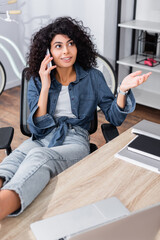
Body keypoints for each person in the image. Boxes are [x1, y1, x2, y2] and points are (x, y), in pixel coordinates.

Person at [0, 16, 151, 219]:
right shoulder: (37, 79)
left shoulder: (93, 77)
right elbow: (36, 129)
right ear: (49, 51)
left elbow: (114, 118)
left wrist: (122, 91)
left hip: (75, 140)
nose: (66, 51)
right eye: (58, 46)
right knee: (13, 160)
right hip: (42, 136)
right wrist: (45, 85)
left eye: (70, 44)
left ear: (78, 46)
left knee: (38, 157)